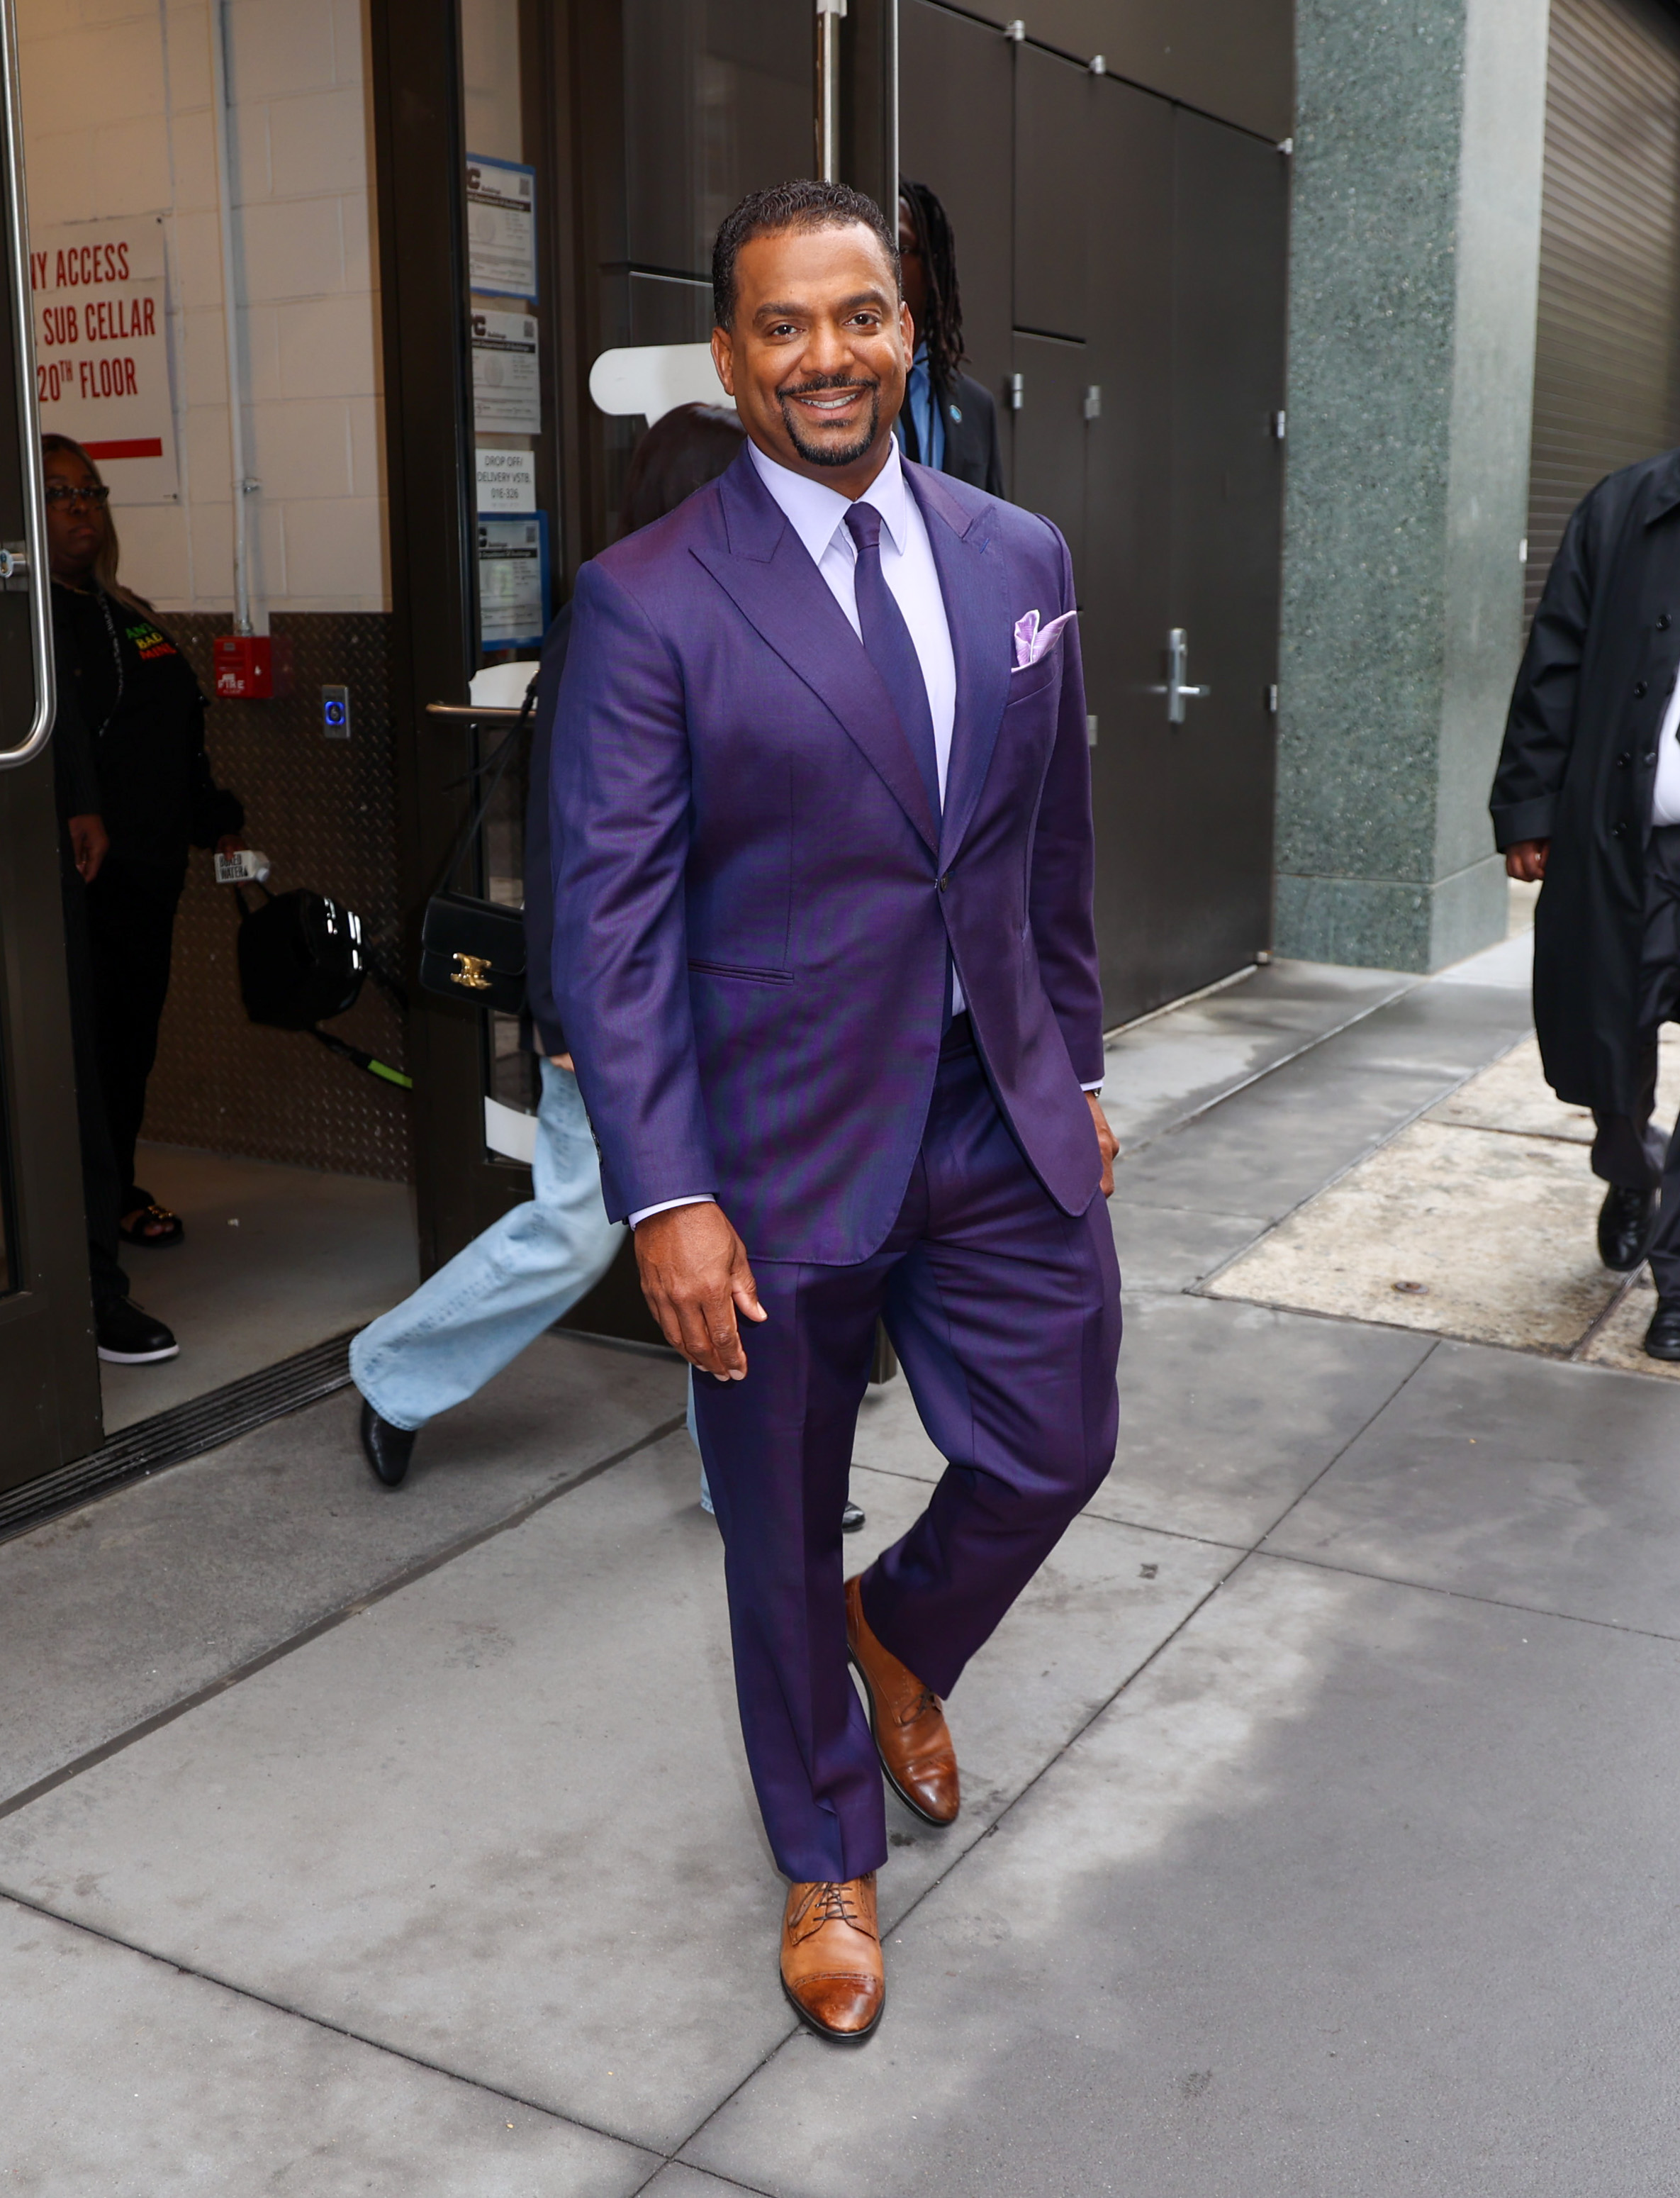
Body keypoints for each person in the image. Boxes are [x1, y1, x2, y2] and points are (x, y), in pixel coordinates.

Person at [551, 180, 1120, 2038]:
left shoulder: (1018, 557)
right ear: (731, 355)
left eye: (855, 316)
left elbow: (1045, 848)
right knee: (776, 1526)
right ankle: (825, 1854)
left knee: (1053, 1443)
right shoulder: (645, 603)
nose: (824, 357)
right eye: (781, 327)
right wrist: (665, 1193)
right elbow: (611, 927)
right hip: (773, 1152)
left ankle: (907, 1630)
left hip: (995, 1109)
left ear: (909, 327)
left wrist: (1077, 1064)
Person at [351, 403, 748, 1486]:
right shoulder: (615, 615)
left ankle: (750, 1481)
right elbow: (575, 838)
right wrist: (566, 1017)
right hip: (621, 997)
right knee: (578, 1227)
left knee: (743, 1239)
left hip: (736, 993)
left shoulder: (752, 612)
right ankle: (393, 1370)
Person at [1491, 429, 1680, 1360]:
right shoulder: (1628, 506)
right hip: (1626, 840)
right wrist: (1528, 806)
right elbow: (1555, 662)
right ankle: (1630, 1166)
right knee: (1603, 1048)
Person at [45, 434, 245, 1256]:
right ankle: (73, 1231)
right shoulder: (30, 625)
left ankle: (112, 1190)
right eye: (60, 494)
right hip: (79, 882)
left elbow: (179, 741)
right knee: (80, 1059)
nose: (83, 508)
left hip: (151, 875)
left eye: (91, 491)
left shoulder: (131, 614)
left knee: (128, 1049)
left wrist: (217, 820)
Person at [47, 609, 180, 1365]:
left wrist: (78, 798)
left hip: (48, 836)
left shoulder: (93, 613)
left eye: (86, 494)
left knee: (76, 1066)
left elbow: (51, 708)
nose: (76, 513)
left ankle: (91, 1287)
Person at [895, 177, 1004, 496]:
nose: (884, 262)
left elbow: (993, 527)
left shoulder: (976, 407)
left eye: (900, 247)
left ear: (932, 265)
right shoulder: (837, 393)